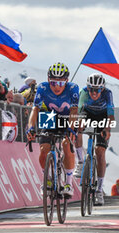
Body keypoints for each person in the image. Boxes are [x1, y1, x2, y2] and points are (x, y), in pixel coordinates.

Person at [26, 62, 79, 198]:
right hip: (50, 117)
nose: (56, 87)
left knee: (67, 145)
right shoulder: (43, 88)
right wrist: (31, 128)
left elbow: (74, 111)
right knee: (44, 149)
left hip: (67, 118)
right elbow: (35, 109)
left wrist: (71, 129)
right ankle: (48, 179)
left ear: (66, 82)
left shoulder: (73, 88)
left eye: (61, 84)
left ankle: (68, 183)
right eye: (53, 83)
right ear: (49, 80)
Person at [74, 73, 114, 206]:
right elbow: (79, 111)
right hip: (88, 114)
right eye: (91, 89)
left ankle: (99, 190)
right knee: (77, 128)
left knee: (100, 151)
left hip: (103, 117)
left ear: (102, 89)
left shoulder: (108, 93)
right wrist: (80, 124)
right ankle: (80, 162)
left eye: (97, 90)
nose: (94, 93)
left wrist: (107, 130)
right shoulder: (83, 93)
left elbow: (110, 115)